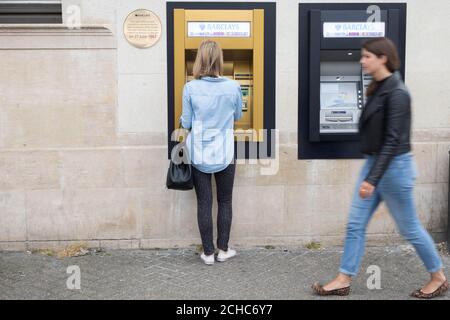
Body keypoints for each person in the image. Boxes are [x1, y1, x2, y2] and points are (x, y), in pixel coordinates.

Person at [312, 37, 448, 299]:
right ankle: (343, 278)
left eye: (367, 56)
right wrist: (371, 172)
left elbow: (394, 139)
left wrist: (372, 179)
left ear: (383, 57)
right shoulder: (378, 87)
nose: (362, 61)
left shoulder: (397, 92)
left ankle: (438, 277)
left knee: (409, 228)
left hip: (394, 168)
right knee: (355, 224)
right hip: (375, 165)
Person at [180, 40, 243, 265]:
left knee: (204, 203)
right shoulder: (234, 87)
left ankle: (208, 253)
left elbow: (186, 122)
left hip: (199, 153)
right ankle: (223, 249)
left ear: (199, 60)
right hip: (225, 152)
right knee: (225, 201)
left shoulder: (190, 88)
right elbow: (238, 116)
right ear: (220, 60)